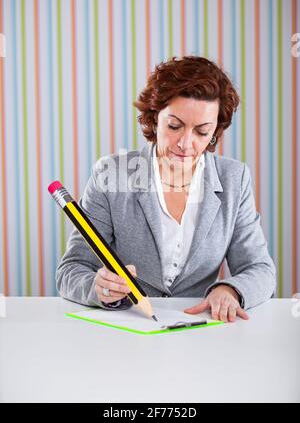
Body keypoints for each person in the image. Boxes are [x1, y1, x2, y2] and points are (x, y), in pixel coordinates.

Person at [57, 56, 276, 323]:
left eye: (202, 132)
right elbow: (71, 270)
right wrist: (97, 287)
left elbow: (260, 269)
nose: (186, 143)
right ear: (154, 118)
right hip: (127, 330)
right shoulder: (110, 175)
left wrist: (229, 289)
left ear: (215, 132)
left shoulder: (234, 179)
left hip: (199, 331)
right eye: (174, 126)